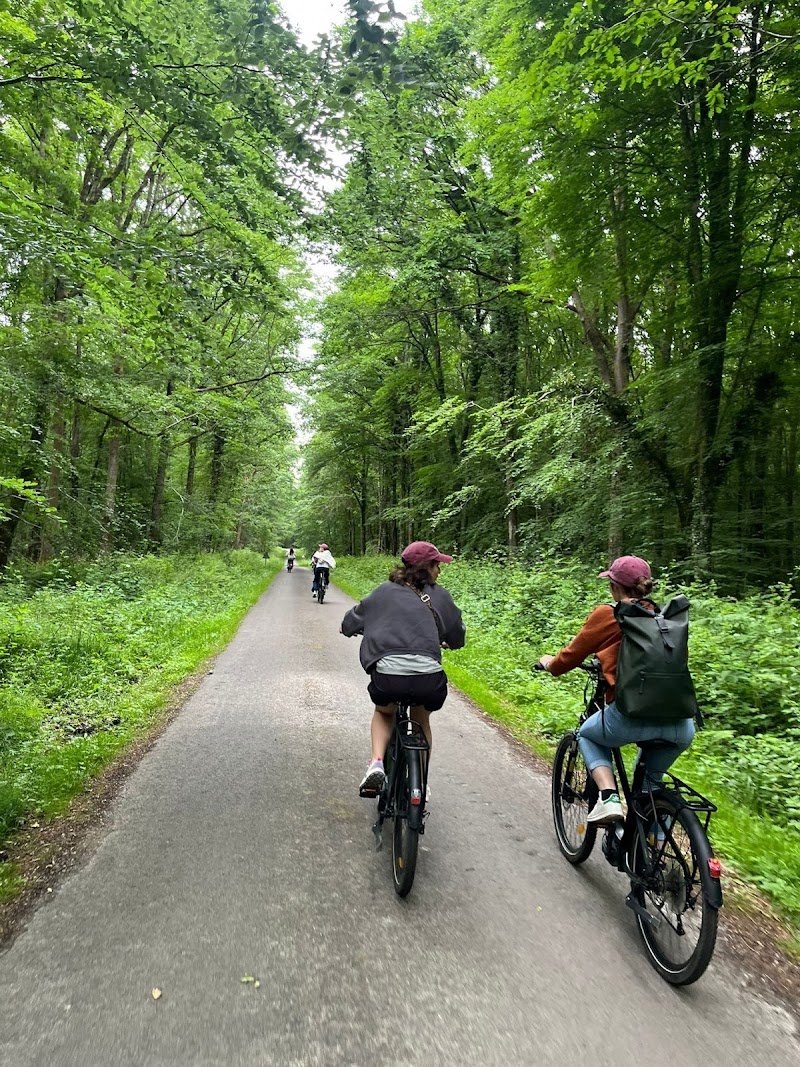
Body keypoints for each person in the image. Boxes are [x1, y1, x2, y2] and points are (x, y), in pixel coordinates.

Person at [538, 555, 695, 825]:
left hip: (631, 716)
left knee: (588, 734)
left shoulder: (609, 614)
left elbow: (571, 656)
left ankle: (609, 798)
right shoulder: (666, 619)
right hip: (681, 725)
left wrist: (550, 664)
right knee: (650, 785)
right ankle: (656, 843)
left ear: (614, 586)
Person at [340, 540, 466, 795]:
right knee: (421, 719)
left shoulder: (383, 592)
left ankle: (376, 763)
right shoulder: (440, 596)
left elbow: (351, 620)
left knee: (384, 713)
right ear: (427, 567)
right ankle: (420, 783)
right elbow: (456, 635)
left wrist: (349, 628)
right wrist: (448, 640)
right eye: (437, 565)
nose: (439, 570)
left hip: (389, 678)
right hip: (428, 680)